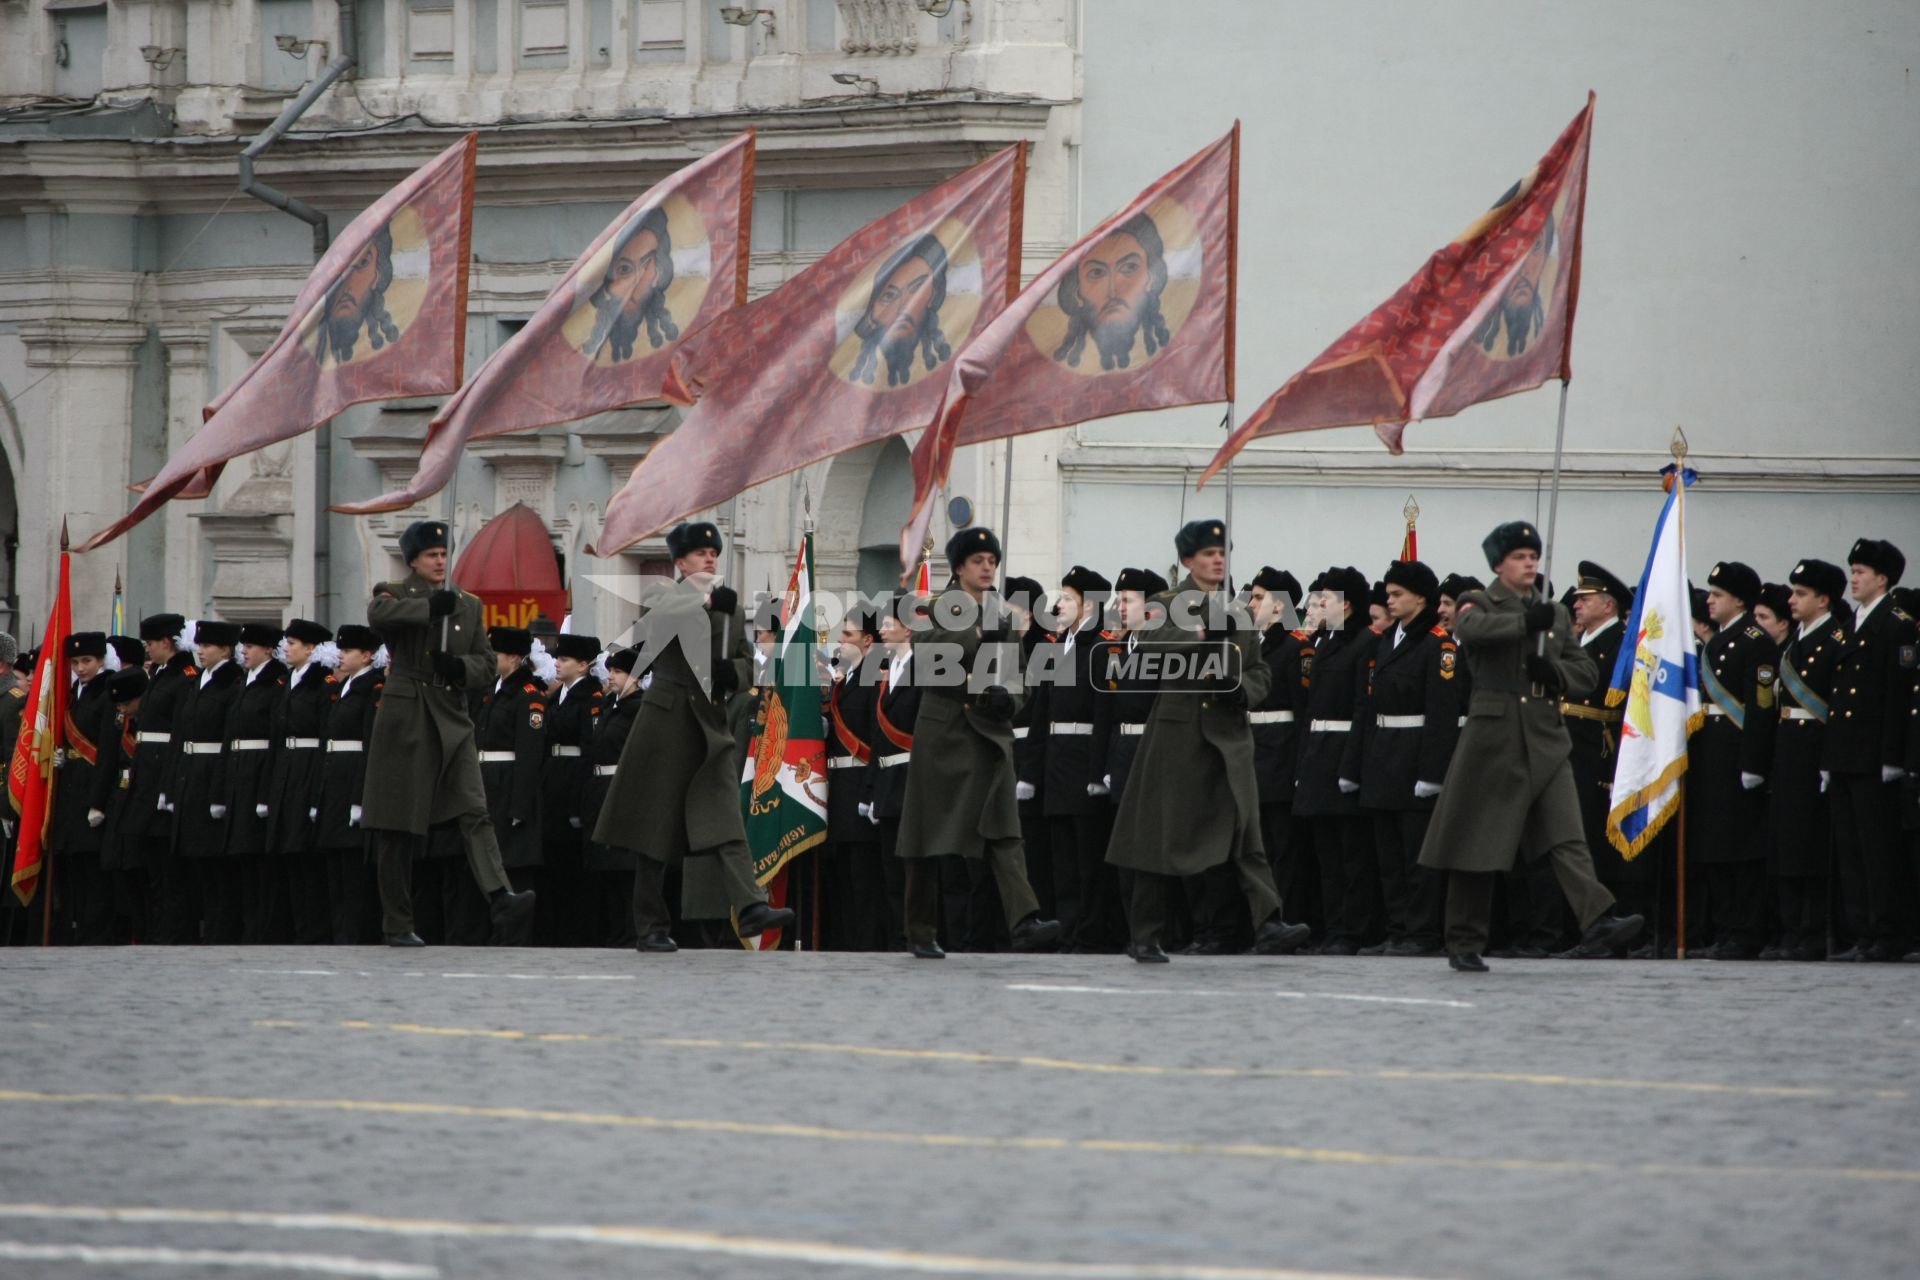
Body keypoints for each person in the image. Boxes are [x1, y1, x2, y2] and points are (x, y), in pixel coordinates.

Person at [1417, 520, 1644, 972]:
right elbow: (1474, 632)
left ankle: (1597, 918)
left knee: (1567, 834)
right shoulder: (1477, 601)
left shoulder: (1555, 615)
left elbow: (1585, 673)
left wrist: (1553, 674)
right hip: (1494, 735)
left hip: (1544, 734)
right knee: (1476, 841)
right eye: (1520, 558)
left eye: (1534, 558)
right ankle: (1463, 939)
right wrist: (1524, 623)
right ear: (1499, 564)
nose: (1529, 564)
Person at [1105, 519, 1312, 964]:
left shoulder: (1237, 613)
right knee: (1162, 834)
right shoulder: (1166, 603)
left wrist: (1242, 690)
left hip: (1228, 731)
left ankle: (1268, 921)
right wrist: (1199, 636)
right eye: (1208, 552)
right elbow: (1152, 648)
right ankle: (1145, 932)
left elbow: (1259, 670)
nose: (1218, 559)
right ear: (1187, 560)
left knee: (1245, 827)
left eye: (1223, 551)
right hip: (1179, 730)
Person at [593, 520, 792, 953]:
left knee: (725, 817)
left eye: (714, 553)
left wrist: (730, 671)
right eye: (701, 554)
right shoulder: (664, 595)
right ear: (680, 562)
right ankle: (650, 925)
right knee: (654, 828)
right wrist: (706, 604)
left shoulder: (731, 609)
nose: (710, 558)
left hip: (709, 724)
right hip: (667, 720)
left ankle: (751, 904)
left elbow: (745, 664)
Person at [364, 519, 537, 948]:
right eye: (431, 556)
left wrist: (459, 669)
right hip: (408, 713)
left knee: (474, 810)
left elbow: (485, 660)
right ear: (414, 561)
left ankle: (500, 897)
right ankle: (397, 922)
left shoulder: (468, 603)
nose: (440, 561)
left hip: (452, 714)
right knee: (397, 826)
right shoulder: (396, 592)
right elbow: (378, 616)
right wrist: (428, 608)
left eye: (444, 555)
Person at [895, 527, 1062, 959]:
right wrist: (974, 634)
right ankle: (920, 929)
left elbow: (1017, 676)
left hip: (988, 733)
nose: (987, 567)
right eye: (978, 561)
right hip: (945, 733)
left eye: (992, 561)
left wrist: (1009, 698)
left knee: (1004, 830)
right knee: (926, 837)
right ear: (959, 568)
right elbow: (928, 661)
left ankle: (1023, 919)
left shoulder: (1003, 616)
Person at [1344, 559, 1462, 957]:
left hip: (1414, 758)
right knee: (1388, 857)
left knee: (1416, 857)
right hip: (1382, 756)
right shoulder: (1382, 642)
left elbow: (1442, 714)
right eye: (1389, 594)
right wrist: (1354, 767)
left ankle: (1422, 932)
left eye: (1397, 595)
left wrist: (1432, 772)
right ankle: (1397, 929)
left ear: (1420, 598)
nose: (1389, 601)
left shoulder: (1437, 645)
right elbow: (1365, 707)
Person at [1824, 538, 1917, 961]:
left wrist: (1893, 757)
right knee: (1852, 848)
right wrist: (1828, 759)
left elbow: (1898, 698)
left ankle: (1887, 932)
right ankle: (1861, 931)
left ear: (1883, 578)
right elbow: (1838, 697)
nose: (1853, 578)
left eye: (1861, 572)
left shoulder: (1896, 625)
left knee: (1878, 850)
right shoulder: (1849, 626)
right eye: (1853, 570)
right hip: (1845, 753)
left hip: (1874, 756)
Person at [1689, 561, 1779, 958]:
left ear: (1739, 599)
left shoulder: (1755, 640)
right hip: (1712, 756)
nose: (1709, 600)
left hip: (1738, 758)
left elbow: (1760, 707)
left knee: (1741, 848)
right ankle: (1725, 928)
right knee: (1716, 846)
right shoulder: (1718, 641)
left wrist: (1753, 763)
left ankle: (1745, 931)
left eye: (1718, 594)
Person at [1032, 565, 1121, 953]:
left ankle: (1090, 934)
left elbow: (1106, 712)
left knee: (1089, 860)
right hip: (1056, 762)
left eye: (1068, 597)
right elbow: (1039, 713)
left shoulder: (1102, 647)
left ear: (1089, 605)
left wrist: (1100, 770)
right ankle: (1068, 931)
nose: (1059, 604)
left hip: (1085, 760)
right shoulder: (1054, 647)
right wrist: (1031, 770)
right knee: (1062, 861)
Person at [1765, 560, 1849, 960]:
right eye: (1792, 592)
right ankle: (1792, 928)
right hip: (1788, 751)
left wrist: (1830, 759)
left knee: (1810, 845)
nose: (1791, 600)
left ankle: (1812, 930)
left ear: (1824, 599)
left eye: (1800, 594)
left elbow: (1839, 707)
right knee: (1787, 841)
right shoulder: (1795, 641)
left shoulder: (1836, 639)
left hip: (1815, 751)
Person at [1293, 566, 1379, 955]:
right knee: (1327, 856)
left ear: (1346, 606)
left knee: (1352, 854)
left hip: (1343, 754)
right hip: (1318, 754)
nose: (1318, 604)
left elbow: (1362, 709)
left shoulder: (1363, 643)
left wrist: (1351, 766)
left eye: (1326, 598)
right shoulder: (1324, 643)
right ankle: (1334, 926)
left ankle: (1355, 929)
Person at [1561, 562, 1644, 944]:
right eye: (1577, 598)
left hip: (1597, 751)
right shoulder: (1577, 642)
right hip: (1566, 749)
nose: (1577, 605)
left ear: (1608, 604)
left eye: (1586, 598)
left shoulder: (1621, 646)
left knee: (1592, 841)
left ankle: (1596, 930)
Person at [469, 626, 547, 946]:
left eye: (495, 654)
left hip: (509, 784)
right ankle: (495, 929)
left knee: (514, 863)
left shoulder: (528, 694)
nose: (490, 660)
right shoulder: (492, 690)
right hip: (487, 781)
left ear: (514, 658)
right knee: (491, 859)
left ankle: (516, 935)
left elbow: (529, 755)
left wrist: (520, 804)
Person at [174, 620, 246, 942]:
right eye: (199, 645)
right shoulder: (198, 680)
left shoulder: (233, 683)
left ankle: (222, 929)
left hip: (213, 773)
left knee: (217, 861)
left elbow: (227, 736)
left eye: (207, 646)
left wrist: (218, 788)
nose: (200, 651)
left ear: (226, 650)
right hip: (192, 774)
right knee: (196, 860)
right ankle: (208, 926)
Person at [266, 619, 336, 944]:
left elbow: (324, 734)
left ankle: (314, 929)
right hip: (287, 767)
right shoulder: (288, 680)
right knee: (288, 850)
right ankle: (296, 926)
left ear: (310, 648)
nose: (286, 648)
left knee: (305, 852)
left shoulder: (322, 682)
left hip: (308, 766)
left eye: (293, 643)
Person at [313, 625, 383, 944]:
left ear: (366, 655)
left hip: (353, 781)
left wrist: (361, 798)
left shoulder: (372, 688)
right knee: (334, 870)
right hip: (334, 785)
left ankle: (355, 934)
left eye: (348, 651)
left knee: (353, 871)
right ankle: (340, 932)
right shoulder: (345, 686)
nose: (340, 655)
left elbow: (370, 745)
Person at [130, 614, 197, 943]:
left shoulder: (184, 677)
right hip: (148, 774)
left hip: (164, 774)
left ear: (167, 643)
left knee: (169, 869)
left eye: (151, 643)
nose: (149, 649)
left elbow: (180, 730)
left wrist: (168, 785)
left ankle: (173, 932)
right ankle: (158, 929)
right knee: (152, 864)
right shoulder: (160, 674)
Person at [223, 622, 287, 944]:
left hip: (259, 772)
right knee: (241, 858)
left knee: (260, 859)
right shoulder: (245, 680)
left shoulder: (276, 682)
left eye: (250, 646)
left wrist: (265, 792)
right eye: (243, 646)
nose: (243, 651)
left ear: (268, 650)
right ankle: (250, 927)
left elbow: (274, 737)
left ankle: (265, 929)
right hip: (239, 774)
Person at [863, 600, 922, 951]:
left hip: (913, 779)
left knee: (913, 868)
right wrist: (870, 790)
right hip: (886, 784)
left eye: (889, 623)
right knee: (891, 872)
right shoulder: (888, 670)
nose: (883, 629)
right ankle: (899, 937)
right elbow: (876, 736)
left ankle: (916, 933)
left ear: (908, 629)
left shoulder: (924, 668)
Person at [822, 610, 882, 950]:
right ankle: (845, 943)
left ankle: (868, 944)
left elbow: (878, 740)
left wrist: (871, 791)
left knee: (863, 879)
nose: (841, 641)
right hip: (839, 788)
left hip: (860, 785)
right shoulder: (843, 681)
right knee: (841, 875)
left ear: (867, 641)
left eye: (848, 634)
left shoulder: (875, 680)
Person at [541, 632, 603, 945]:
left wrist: (579, 802)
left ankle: (576, 932)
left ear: (582, 665)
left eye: (564, 659)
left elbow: (588, 750)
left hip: (571, 785)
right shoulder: (559, 696)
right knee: (554, 862)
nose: (557, 663)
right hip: (554, 783)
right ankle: (556, 929)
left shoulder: (590, 697)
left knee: (573, 865)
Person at [53, 632, 114, 943]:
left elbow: (107, 752)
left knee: (94, 872)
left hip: (92, 787)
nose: (80, 668)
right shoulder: (75, 692)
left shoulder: (106, 691)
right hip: (72, 789)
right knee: (76, 865)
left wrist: (98, 802)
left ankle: (96, 934)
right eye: (75, 662)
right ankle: (80, 930)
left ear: (101, 660)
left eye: (87, 661)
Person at [582, 647, 643, 947]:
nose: (612, 677)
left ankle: (631, 930)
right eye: (612, 671)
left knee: (625, 869)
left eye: (618, 672)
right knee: (607, 867)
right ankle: (616, 929)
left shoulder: (639, 709)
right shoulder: (611, 706)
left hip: (624, 790)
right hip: (601, 789)